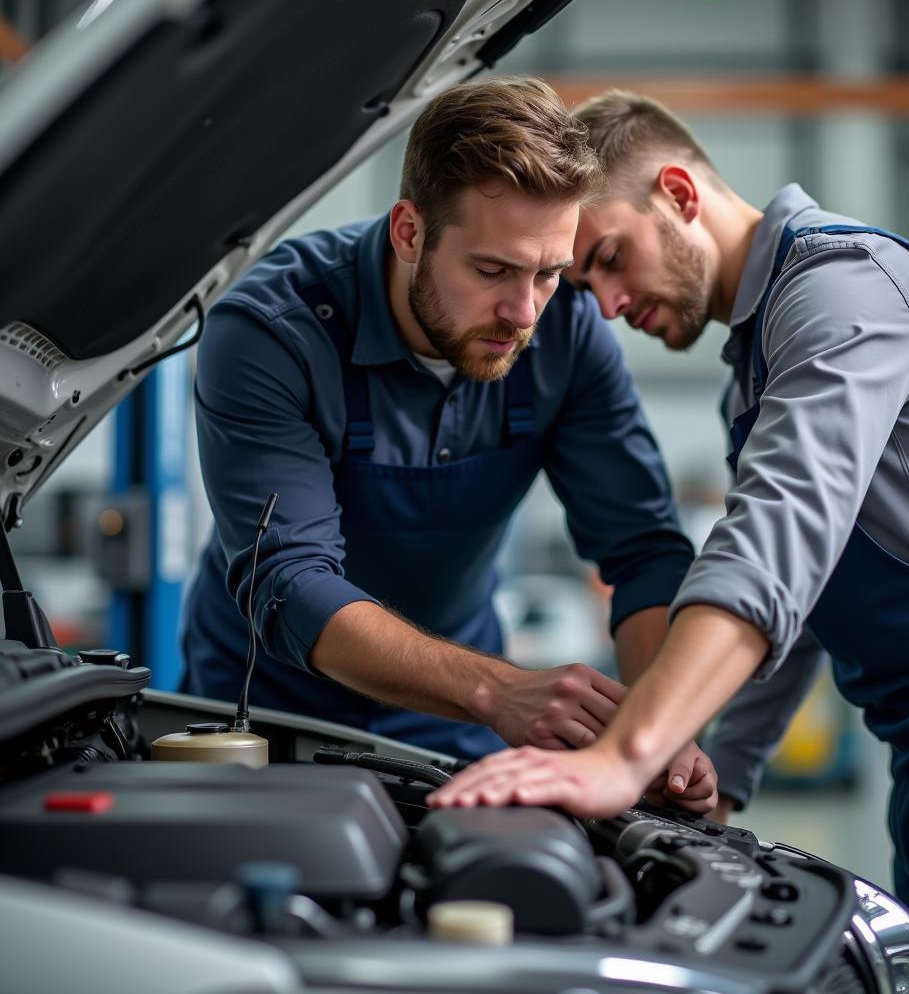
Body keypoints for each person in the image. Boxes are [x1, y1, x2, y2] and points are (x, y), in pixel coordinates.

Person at [430, 90, 909, 993]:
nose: (611, 303)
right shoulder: (754, 372)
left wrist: (621, 756)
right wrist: (721, 781)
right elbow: (809, 603)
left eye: (609, 260)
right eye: (587, 289)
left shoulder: (844, 295)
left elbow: (777, 541)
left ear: (678, 190)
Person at [180, 78, 716, 798]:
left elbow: (643, 548)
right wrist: (499, 690)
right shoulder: (272, 332)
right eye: (492, 270)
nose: (523, 312)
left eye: (550, 273)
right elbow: (289, 582)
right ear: (409, 231)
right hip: (267, 714)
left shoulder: (566, 332)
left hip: (461, 718)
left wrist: (656, 738)